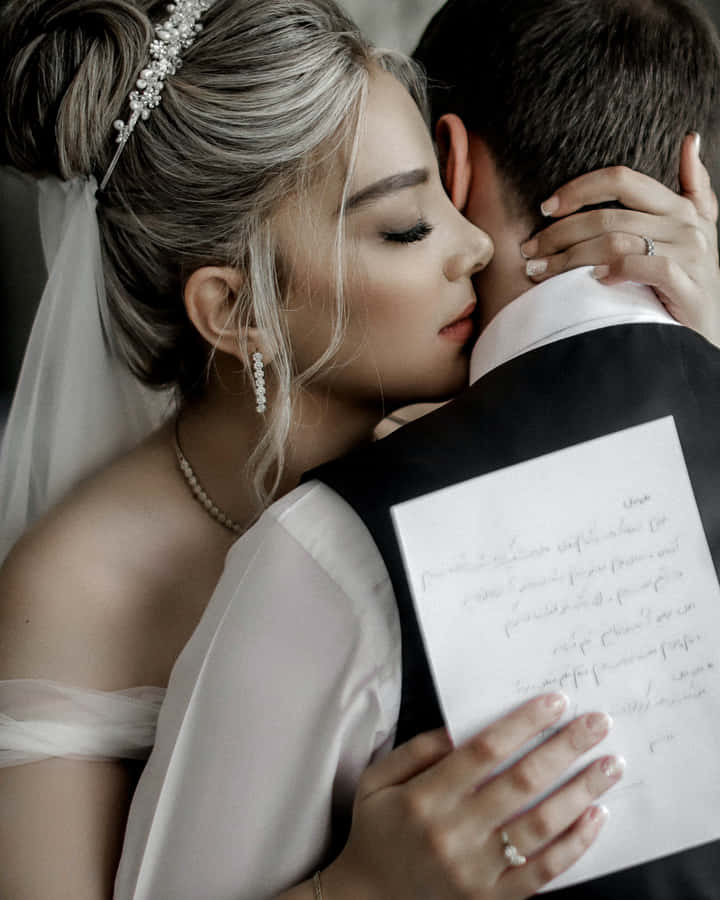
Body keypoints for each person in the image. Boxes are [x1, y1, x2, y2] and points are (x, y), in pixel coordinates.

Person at [0, 0, 718, 898]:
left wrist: (686, 341)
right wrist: (363, 889)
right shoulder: (75, 589)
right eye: (408, 228)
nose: (475, 246)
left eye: (450, 199)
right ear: (236, 311)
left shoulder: (474, 464)